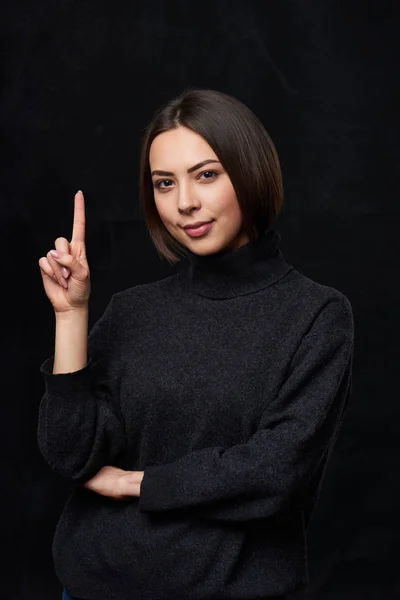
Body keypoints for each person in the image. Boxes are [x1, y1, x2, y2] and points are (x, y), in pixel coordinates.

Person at [37, 88, 354, 600]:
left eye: (206, 174)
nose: (184, 202)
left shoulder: (316, 314)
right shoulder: (133, 312)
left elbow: (276, 474)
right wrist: (71, 316)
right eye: (165, 183)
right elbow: (71, 458)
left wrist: (138, 483)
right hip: (94, 586)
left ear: (249, 172)